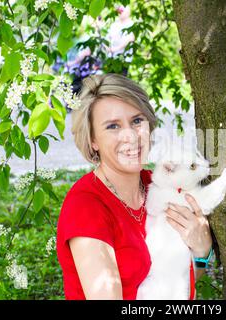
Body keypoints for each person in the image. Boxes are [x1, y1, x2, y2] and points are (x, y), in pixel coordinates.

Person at [56, 73, 213, 300]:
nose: (130, 136)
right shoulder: (85, 206)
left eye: (137, 121)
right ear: (93, 140)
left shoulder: (160, 185)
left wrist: (201, 251)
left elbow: (178, 279)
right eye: (113, 126)